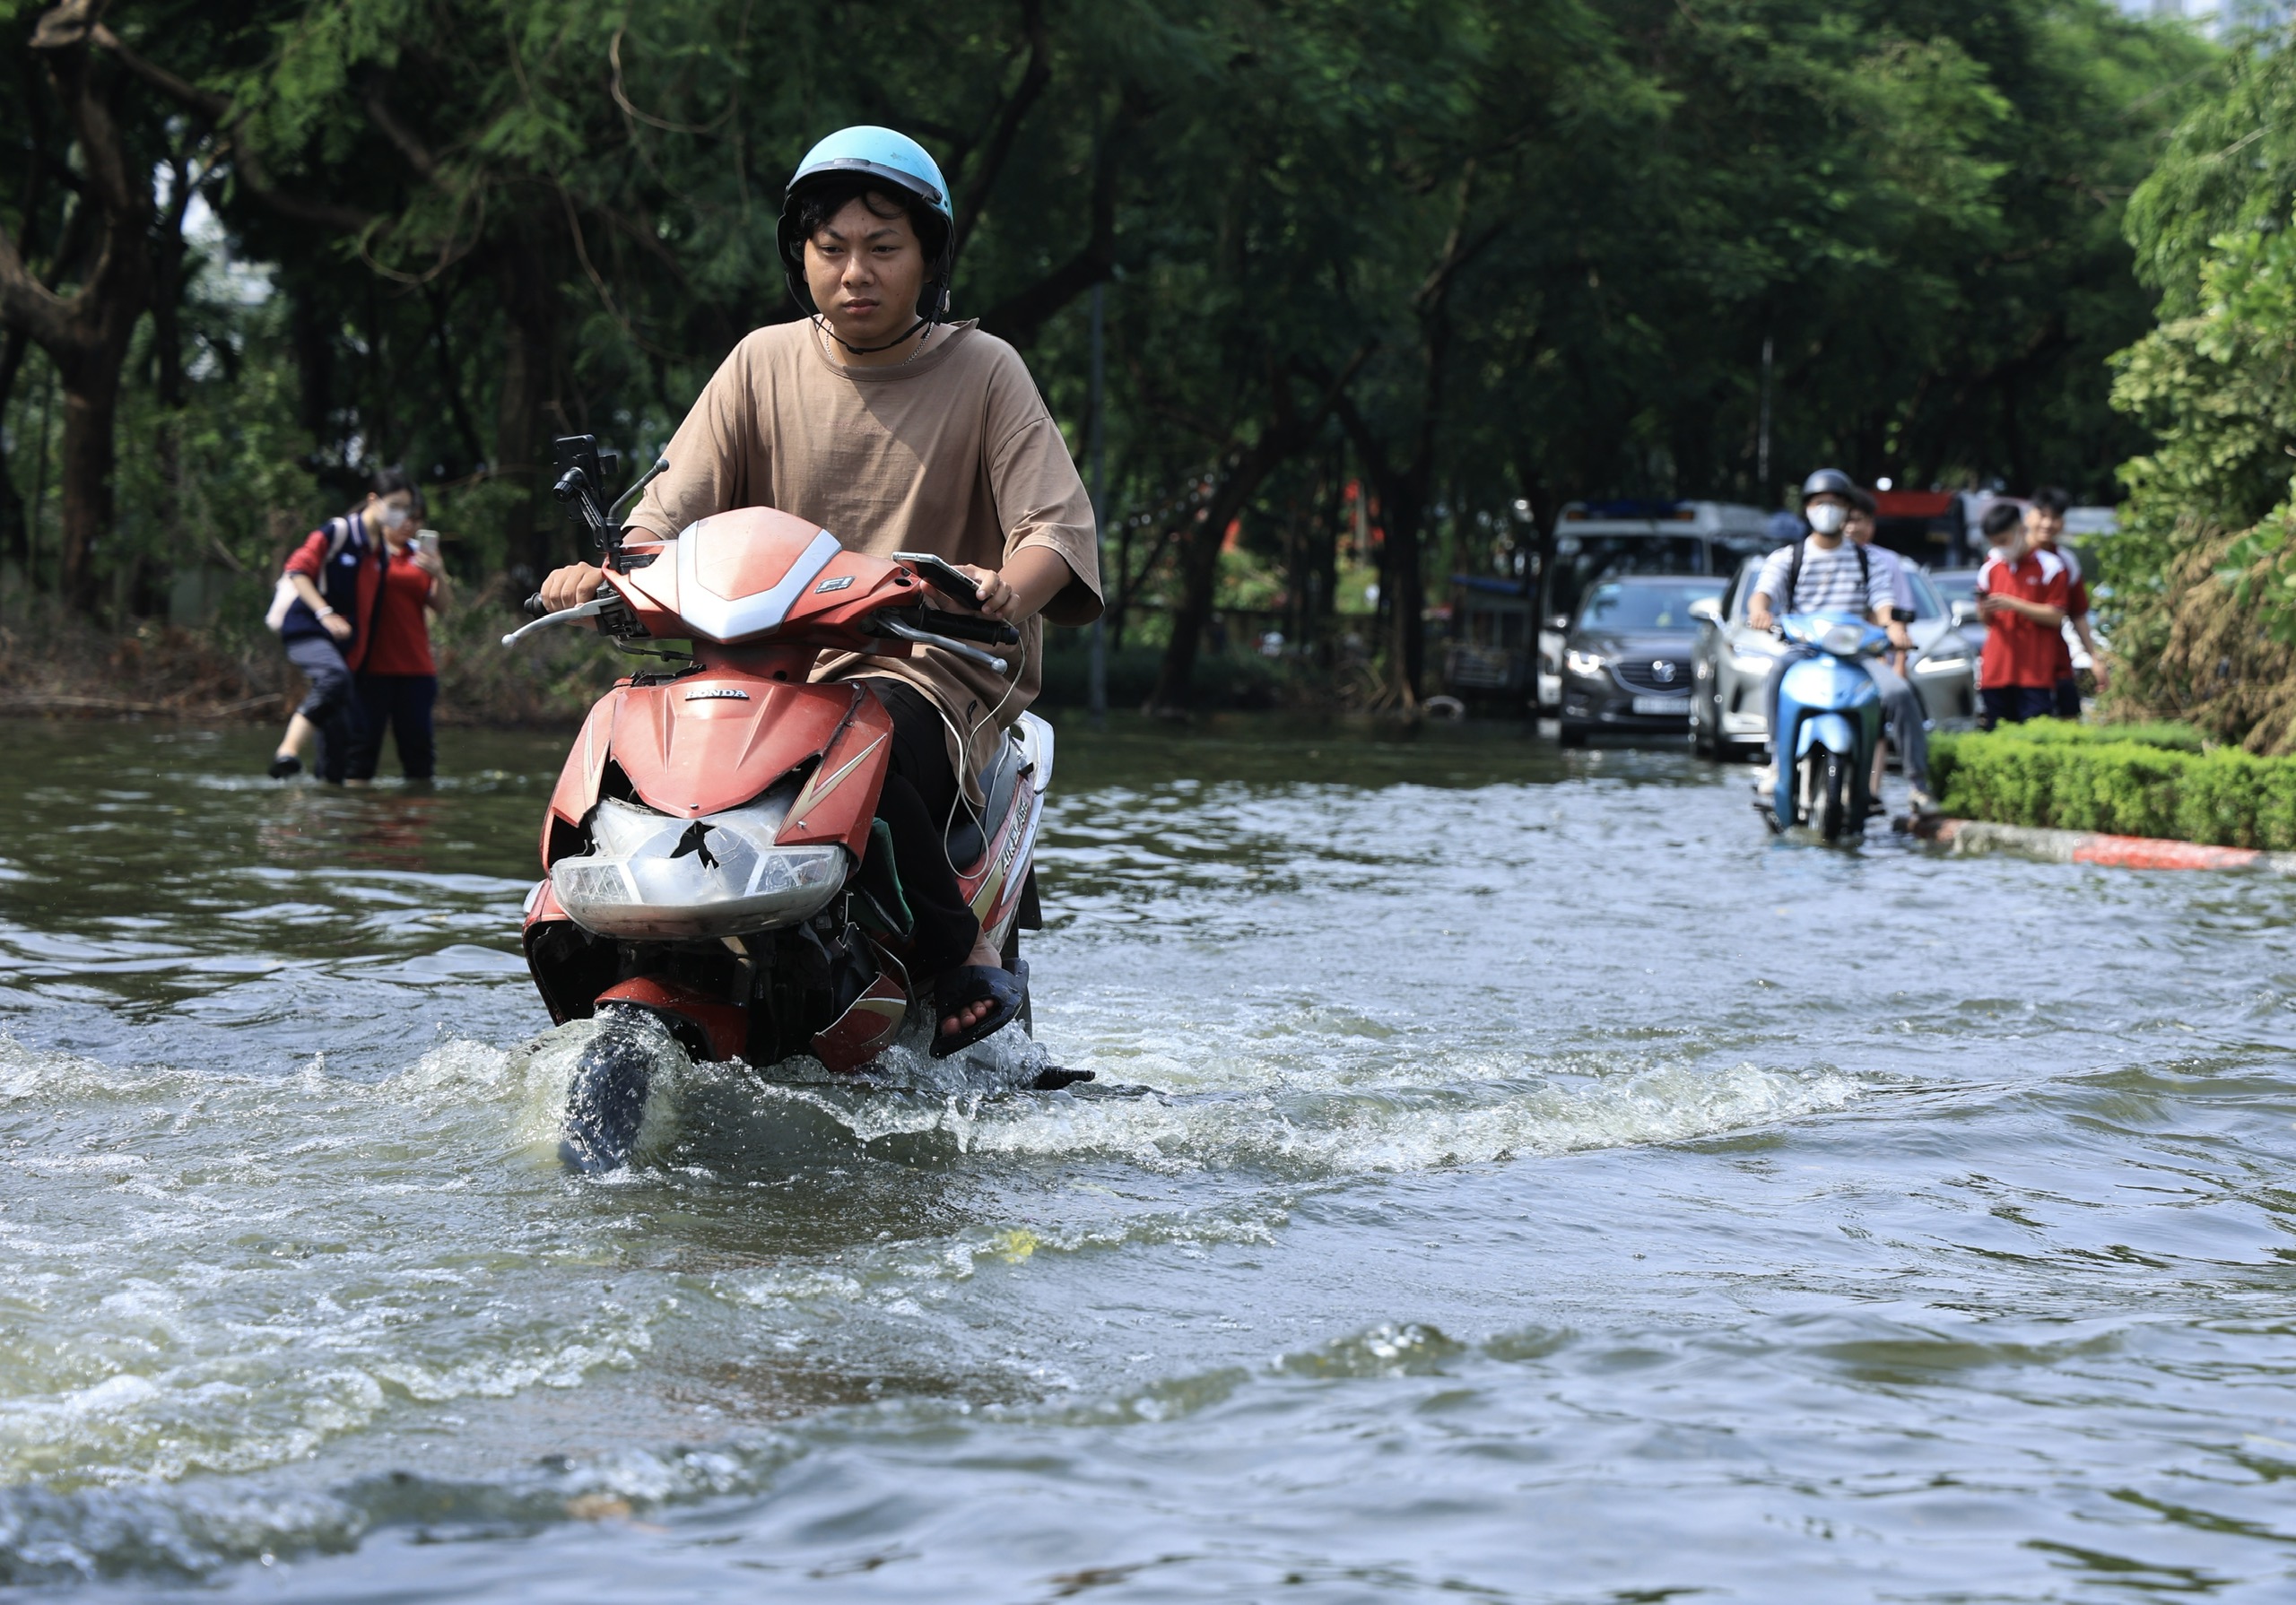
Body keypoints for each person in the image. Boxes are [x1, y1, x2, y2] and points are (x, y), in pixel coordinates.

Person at [537, 125, 1100, 1058]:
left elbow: (1054, 530)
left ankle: (954, 958)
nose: (855, 273)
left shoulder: (984, 368)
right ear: (800, 257)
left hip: (931, 664)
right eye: (831, 249)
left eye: (884, 249)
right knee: (635, 742)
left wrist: (1006, 587)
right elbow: (663, 514)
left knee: (866, 727)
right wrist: (605, 570)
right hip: (759, 657)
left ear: (927, 258)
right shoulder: (759, 362)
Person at [1747, 467, 1933, 812]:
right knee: (1775, 676)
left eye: (1835, 503)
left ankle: (1919, 786)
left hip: (1856, 654)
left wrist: (1893, 628)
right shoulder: (1788, 558)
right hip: (1804, 651)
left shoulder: (1868, 560)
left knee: (1899, 692)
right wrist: (1760, 612)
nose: (1827, 509)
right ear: (1807, 508)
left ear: (1848, 509)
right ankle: (1776, 761)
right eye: (1820, 503)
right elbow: (1762, 595)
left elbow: (1883, 607)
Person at [267, 469, 410, 783]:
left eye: (406, 508)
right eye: (395, 504)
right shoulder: (338, 531)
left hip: (346, 651)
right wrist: (324, 612)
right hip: (307, 630)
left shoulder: (379, 555)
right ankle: (287, 752)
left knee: (341, 736)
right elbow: (297, 570)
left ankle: (325, 807)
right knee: (333, 677)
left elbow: (368, 612)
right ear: (374, 500)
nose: (401, 514)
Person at [346, 493, 451, 784]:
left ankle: (415, 817)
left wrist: (438, 573)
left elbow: (441, 604)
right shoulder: (368, 552)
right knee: (360, 752)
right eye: (405, 516)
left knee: (419, 756)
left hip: (416, 669)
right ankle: (354, 818)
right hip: (370, 668)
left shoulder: (421, 556)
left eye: (416, 518)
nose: (409, 524)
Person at [1975, 503, 2069, 727]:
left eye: (2003, 541)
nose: (1999, 547)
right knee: (1996, 734)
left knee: (2036, 734)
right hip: (1997, 670)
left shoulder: (2051, 566)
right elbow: (1986, 622)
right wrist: (1984, 609)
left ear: (2020, 530)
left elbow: (2056, 615)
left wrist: (2014, 604)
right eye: (1994, 542)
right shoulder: (1991, 567)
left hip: (2035, 671)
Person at [2024, 487, 2105, 718]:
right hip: (2019, 662)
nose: (2048, 524)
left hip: (2054, 659)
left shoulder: (2065, 561)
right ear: (2029, 516)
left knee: (2069, 716)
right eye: (2043, 515)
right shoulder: (2006, 557)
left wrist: (2094, 659)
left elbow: (2077, 614)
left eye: (2056, 518)